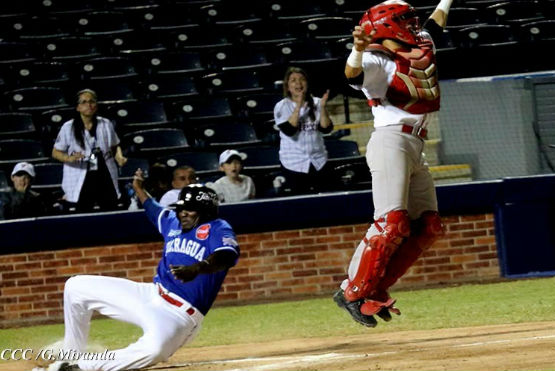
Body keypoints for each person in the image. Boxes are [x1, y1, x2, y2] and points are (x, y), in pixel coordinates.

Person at [36, 171, 239, 371]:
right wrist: (138, 188)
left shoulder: (217, 227)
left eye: (191, 209)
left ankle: (78, 368)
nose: (183, 212)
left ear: (206, 210)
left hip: (178, 315)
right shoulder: (173, 222)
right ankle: (71, 354)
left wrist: (198, 268)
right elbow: (152, 208)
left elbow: (227, 255)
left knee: (154, 350)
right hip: (151, 294)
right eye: (181, 207)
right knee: (75, 287)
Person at [333, 0, 451, 327]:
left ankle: (376, 287)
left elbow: (436, 22)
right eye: (405, 20)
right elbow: (351, 74)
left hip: (415, 142)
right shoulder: (374, 57)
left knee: (428, 225)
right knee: (391, 221)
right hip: (390, 139)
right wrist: (356, 49)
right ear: (388, 26)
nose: (413, 24)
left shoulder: (419, 44)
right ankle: (351, 291)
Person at [51, 89, 127, 212]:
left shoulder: (106, 123)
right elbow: (56, 152)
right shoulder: (68, 127)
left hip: (104, 172)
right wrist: (69, 158)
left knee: (110, 209)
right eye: (84, 102)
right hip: (81, 173)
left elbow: (115, 146)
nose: (89, 105)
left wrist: (119, 157)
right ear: (78, 107)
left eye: (92, 101)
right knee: (83, 211)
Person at [273, 66, 334, 194]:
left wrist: (322, 108)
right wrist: (299, 106)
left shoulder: (317, 102)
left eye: (302, 79)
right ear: (288, 86)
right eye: (293, 80)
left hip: (318, 161)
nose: (298, 83)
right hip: (293, 164)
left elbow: (326, 128)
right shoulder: (281, 106)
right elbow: (290, 130)